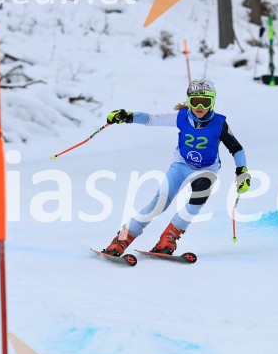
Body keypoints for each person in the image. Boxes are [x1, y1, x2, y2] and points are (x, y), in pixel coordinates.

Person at [101, 79, 250, 256]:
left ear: (213, 102)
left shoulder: (219, 123)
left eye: (206, 102)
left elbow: (236, 148)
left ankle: (168, 239)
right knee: (158, 204)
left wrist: (242, 171)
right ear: (189, 101)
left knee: (196, 202)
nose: (200, 106)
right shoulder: (182, 117)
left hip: (207, 170)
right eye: (195, 101)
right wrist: (128, 116)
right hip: (181, 165)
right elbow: (151, 119)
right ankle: (121, 240)